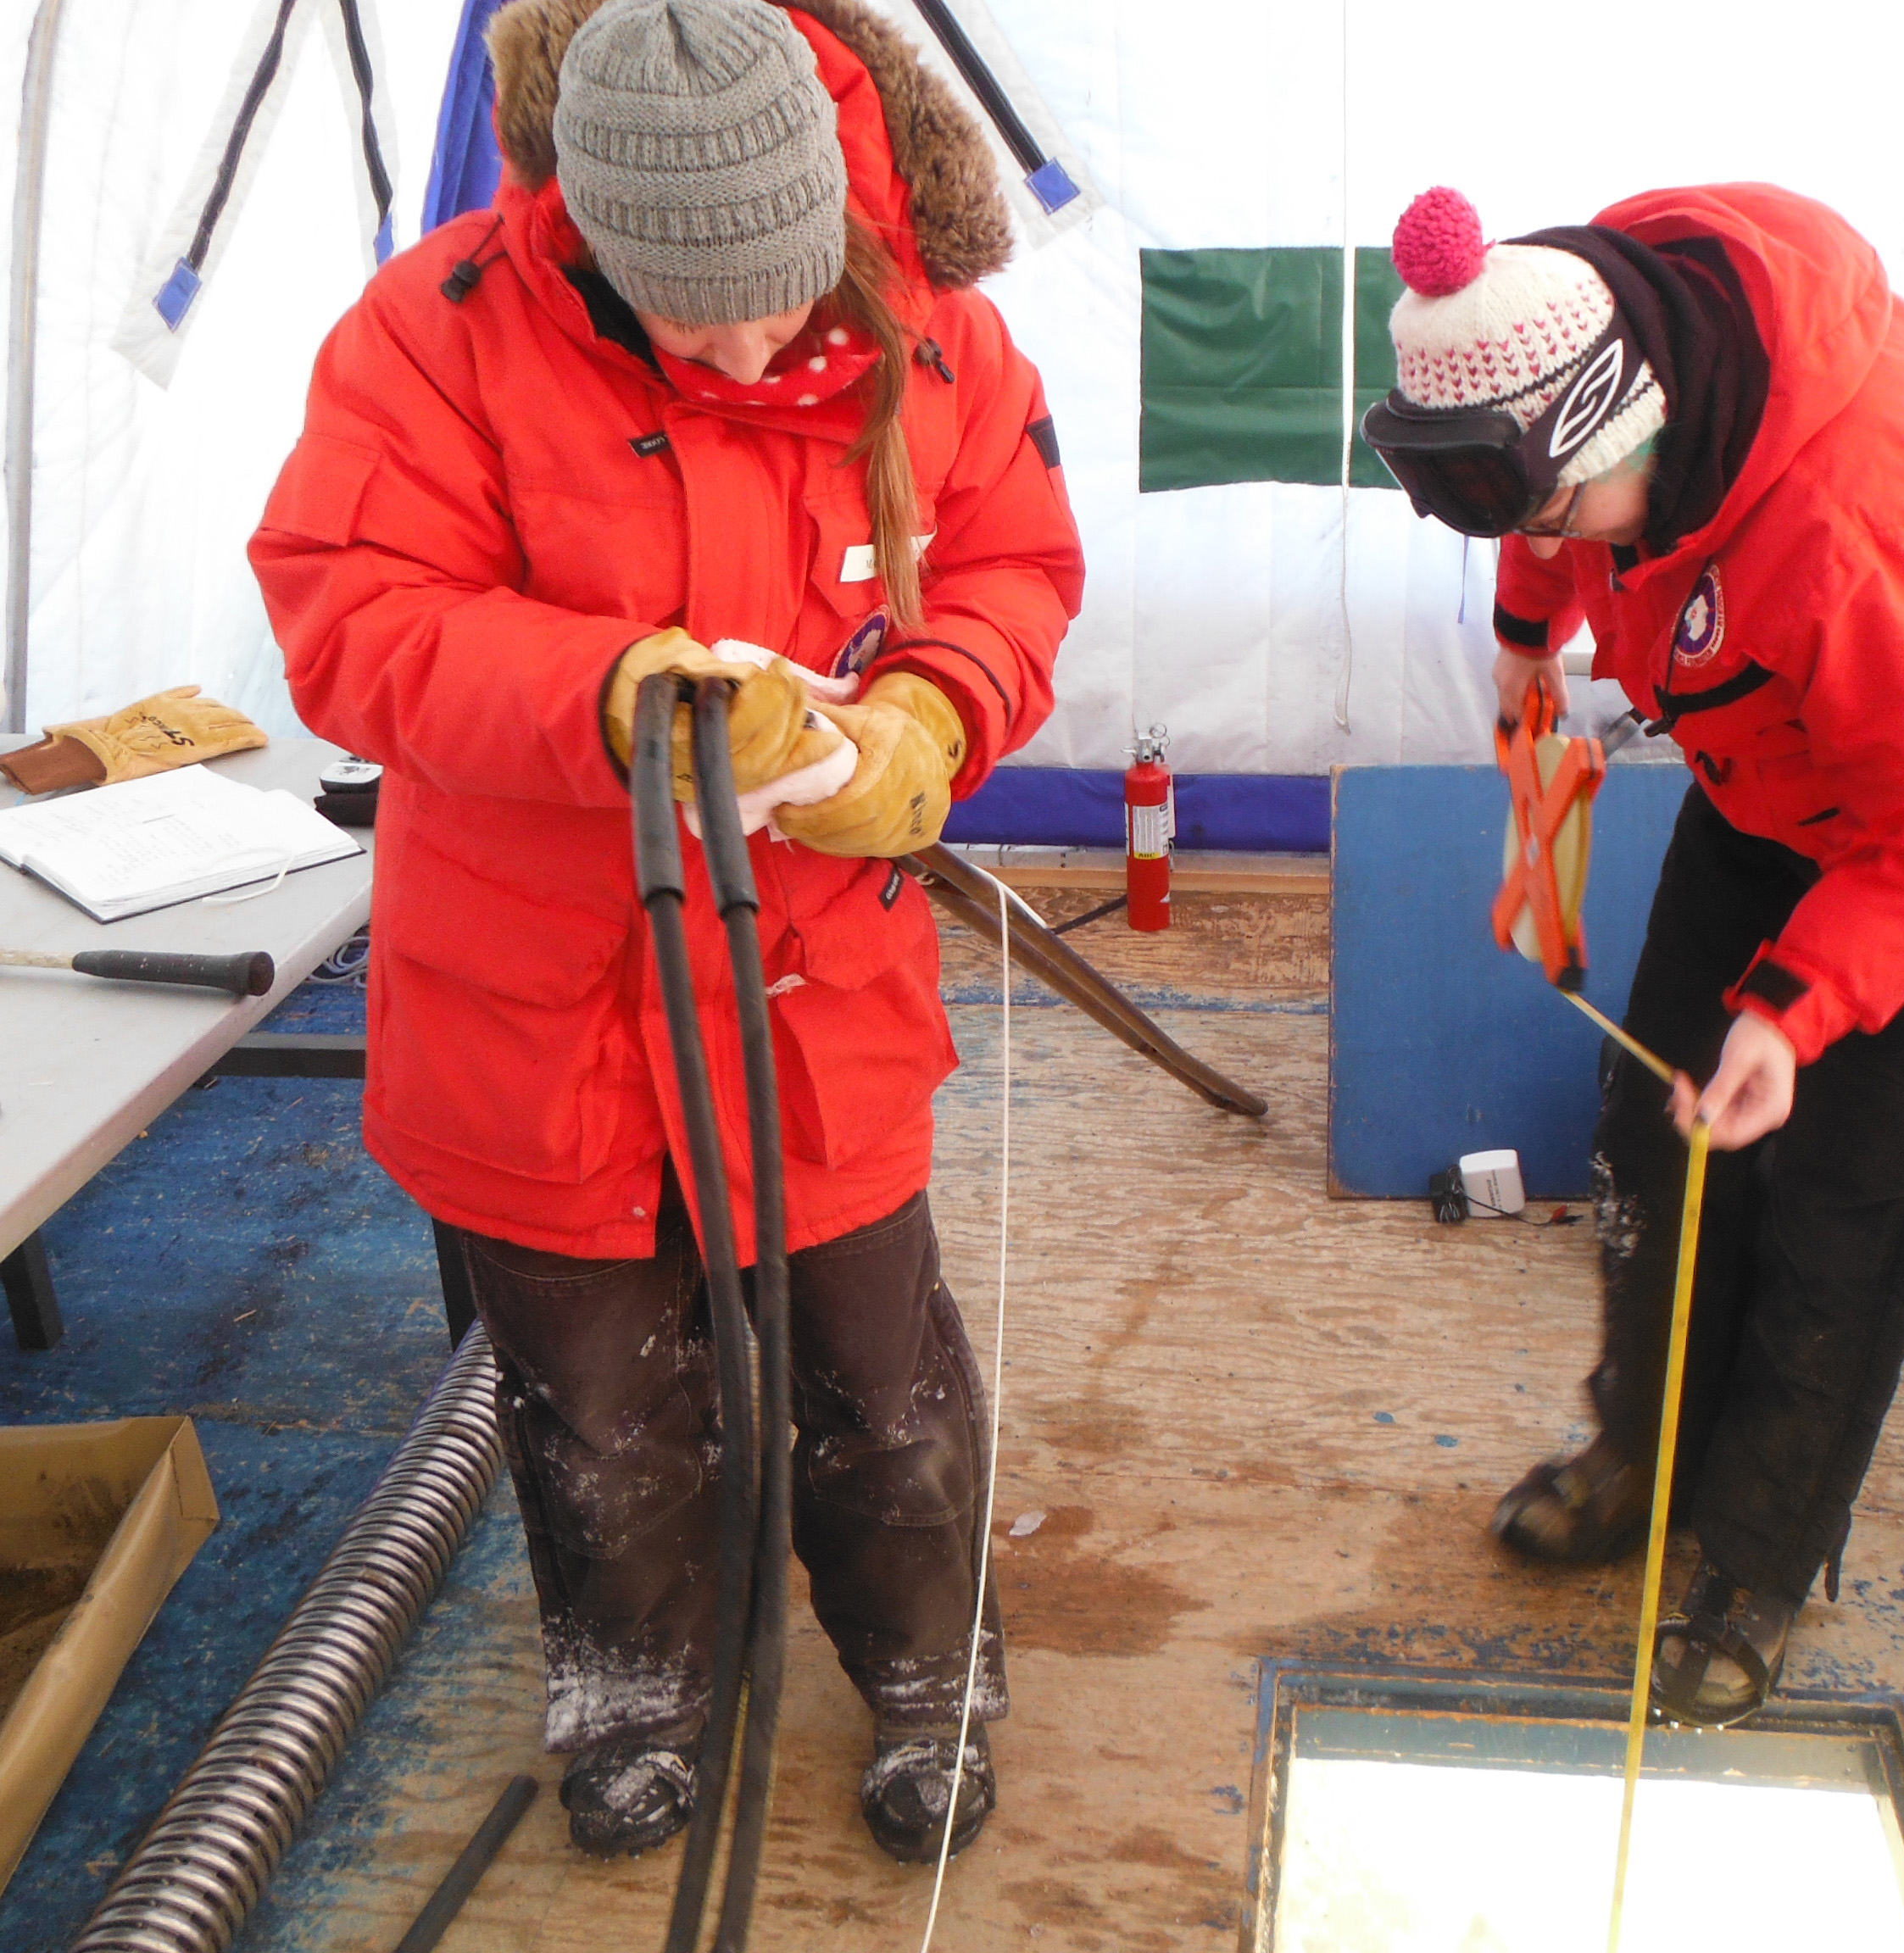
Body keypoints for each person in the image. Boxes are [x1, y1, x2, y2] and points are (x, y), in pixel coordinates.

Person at [249, 0, 1082, 1861]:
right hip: (538, 1004)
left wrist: (935, 713)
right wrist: (606, 695)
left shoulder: (930, 328)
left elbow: (1019, 558)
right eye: (695, 309)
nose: (751, 342)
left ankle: (931, 1687)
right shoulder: (433, 335)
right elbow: (348, 620)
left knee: (886, 1389)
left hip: (815, 991)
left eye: (783, 293)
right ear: (593, 238)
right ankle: (637, 1694)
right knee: (598, 1408)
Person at [1362, 184, 1904, 1723]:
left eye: (1550, 515)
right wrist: (1531, 639)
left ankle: (1758, 1556)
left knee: (1850, 1205)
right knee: (1656, 1138)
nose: (1537, 544)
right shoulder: (1591, 332)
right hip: (1772, 758)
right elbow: (1540, 515)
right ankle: (1641, 1454)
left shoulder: (1862, 523)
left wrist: (1795, 1008)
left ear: (1628, 438)